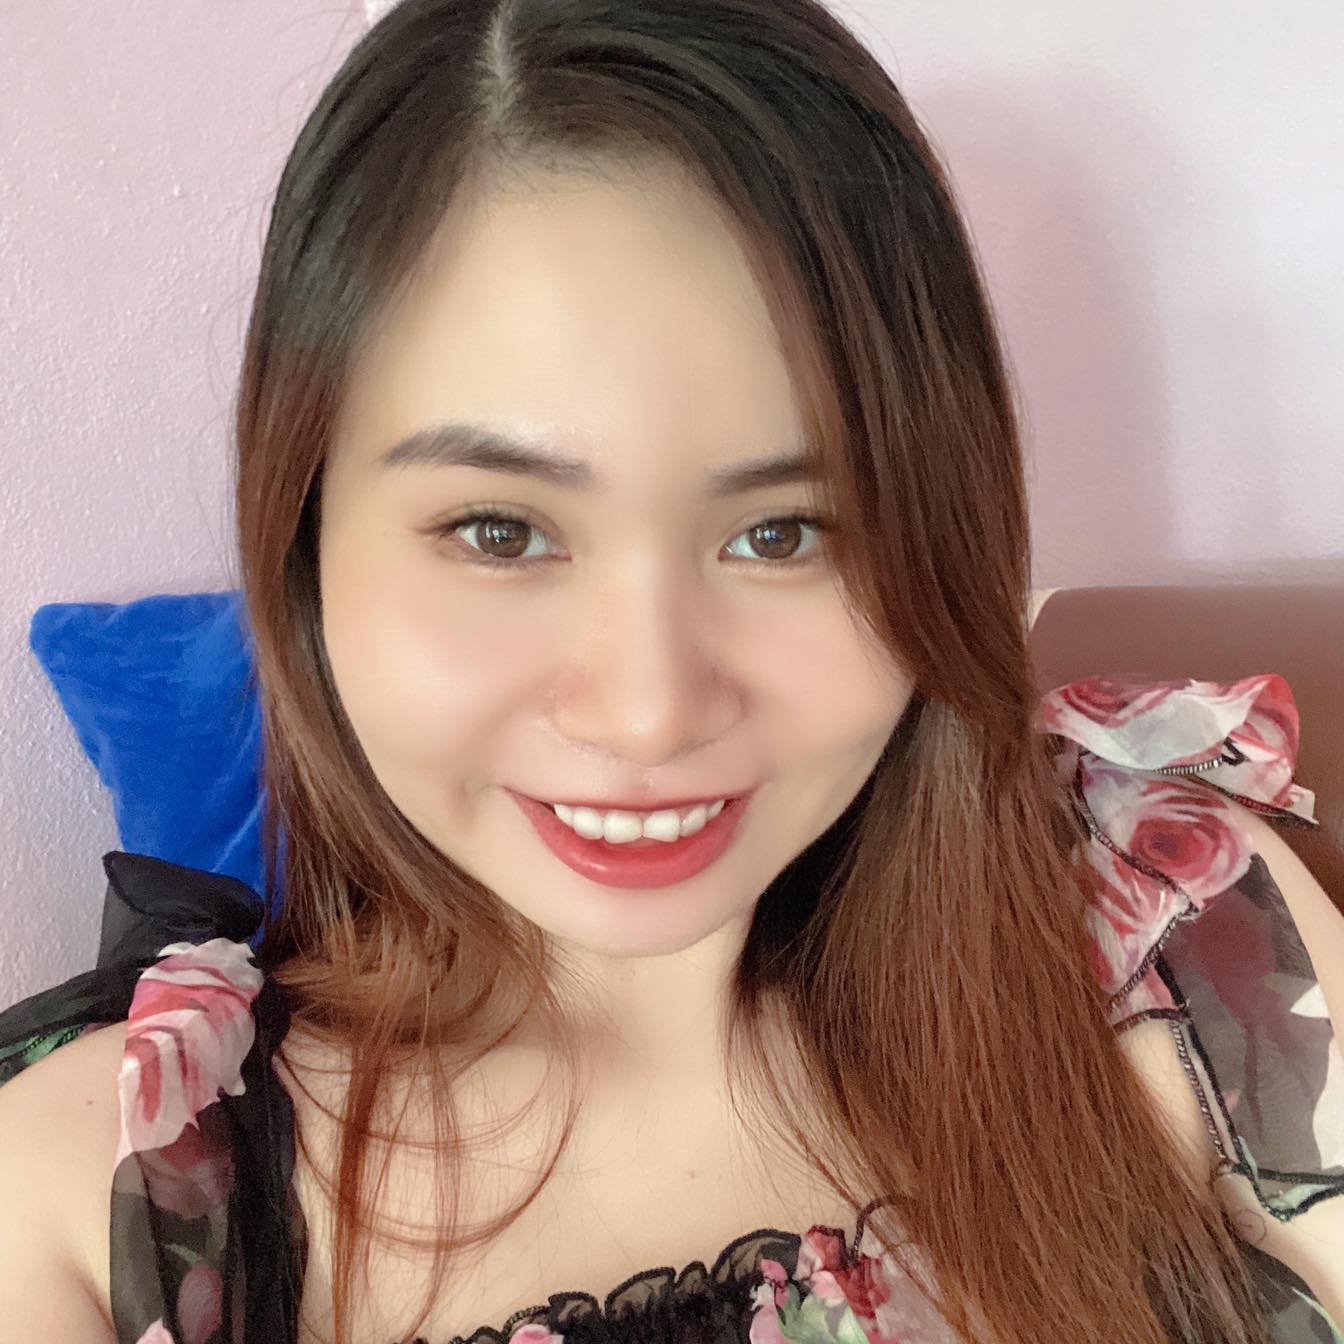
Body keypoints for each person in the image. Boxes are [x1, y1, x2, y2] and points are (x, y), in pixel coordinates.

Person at [0, 1, 1341, 1341]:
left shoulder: (1182, 934)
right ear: (305, 549)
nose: (647, 714)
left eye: (781, 533)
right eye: (500, 532)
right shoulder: (93, 1214)